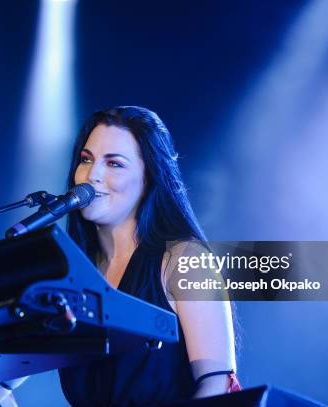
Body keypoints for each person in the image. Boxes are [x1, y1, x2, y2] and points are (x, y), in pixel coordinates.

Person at [59, 106, 239, 406]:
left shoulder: (183, 259)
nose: (92, 176)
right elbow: (2, 376)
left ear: (149, 178)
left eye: (114, 163)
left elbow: (216, 384)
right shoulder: (73, 277)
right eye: (86, 160)